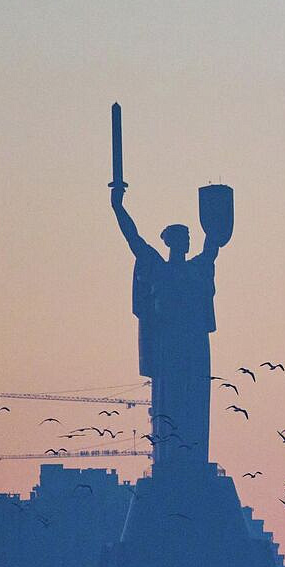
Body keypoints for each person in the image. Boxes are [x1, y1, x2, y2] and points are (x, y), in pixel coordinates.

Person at [111, 184, 219, 471]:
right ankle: (170, 457)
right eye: (182, 237)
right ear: (171, 242)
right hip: (168, 348)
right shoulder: (156, 267)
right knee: (169, 402)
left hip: (194, 347)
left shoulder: (196, 269)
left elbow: (213, 246)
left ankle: (193, 457)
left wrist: (214, 222)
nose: (186, 242)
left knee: (195, 404)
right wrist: (118, 207)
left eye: (188, 237)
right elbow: (132, 238)